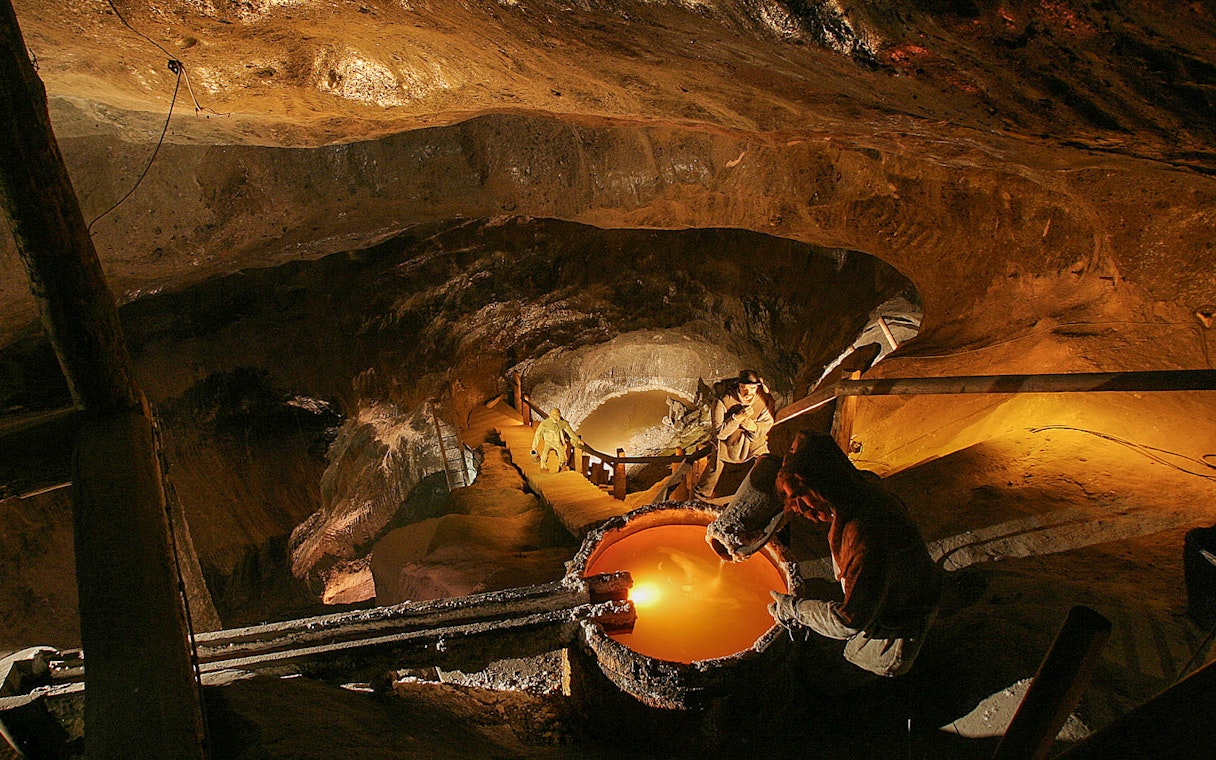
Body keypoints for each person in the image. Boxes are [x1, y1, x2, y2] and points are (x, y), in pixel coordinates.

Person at [767, 431, 942, 678]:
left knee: (827, 674)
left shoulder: (865, 534)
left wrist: (794, 609)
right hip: (896, 589)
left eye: (801, 495)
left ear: (824, 483)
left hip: (899, 620)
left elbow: (848, 620)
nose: (799, 508)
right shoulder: (858, 488)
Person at [695, 369, 774, 499]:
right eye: (743, 387)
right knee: (714, 469)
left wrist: (754, 427)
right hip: (728, 444)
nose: (748, 392)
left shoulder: (764, 401)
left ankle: (765, 494)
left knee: (765, 463)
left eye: (752, 388)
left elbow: (767, 424)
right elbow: (719, 434)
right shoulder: (723, 402)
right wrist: (736, 418)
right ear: (738, 385)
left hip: (753, 444)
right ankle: (701, 497)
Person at [530, 408, 581, 473]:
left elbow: (570, 432)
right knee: (544, 454)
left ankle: (562, 465)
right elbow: (538, 434)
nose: (556, 416)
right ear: (552, 415)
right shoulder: (545, 424)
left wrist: (577, 440)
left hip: (557, 442)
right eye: (555, 415)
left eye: (557, 415)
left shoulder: (562, 423)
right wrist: (534, 447)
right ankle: (543, 467)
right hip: (548, 442)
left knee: (561, 454)